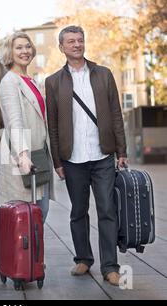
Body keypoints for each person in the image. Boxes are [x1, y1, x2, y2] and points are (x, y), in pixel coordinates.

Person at [45, 25, 127, 286]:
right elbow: (53, 124)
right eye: (70, 41)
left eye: (80, 40)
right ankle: (83, 259)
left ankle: (111, 267)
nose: (77, 45)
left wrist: (121, 151)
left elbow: (116, 113)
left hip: (102, 154)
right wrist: (57, 160)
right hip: (72, 159)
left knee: (107, 210)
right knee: (78, 211)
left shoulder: (103, 74)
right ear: (62, 47)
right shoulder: (53, 81)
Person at [0, 32, 54, 221]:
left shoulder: (31, 81)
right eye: (19, 47)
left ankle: (33, 251)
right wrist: (23, 155)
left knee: (40, 212)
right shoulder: (10, 81)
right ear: (10, 52)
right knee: (25, 216)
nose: (25, 51)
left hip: (38, 156)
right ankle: (20, 252)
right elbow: (14, 120)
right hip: (21, 158)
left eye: (27, 46)